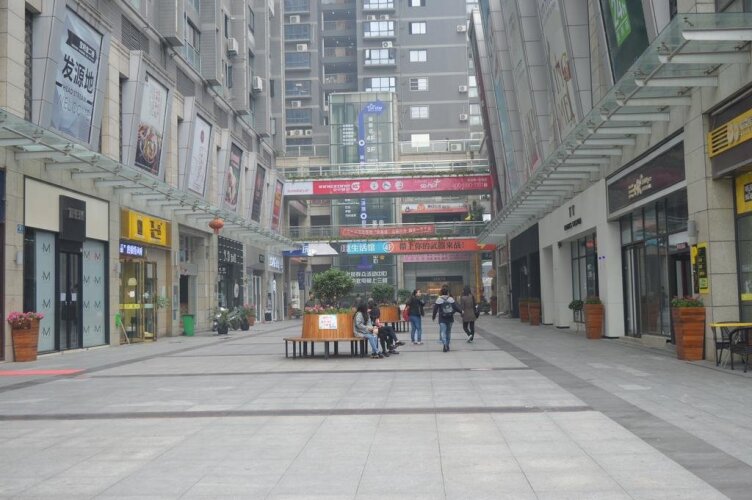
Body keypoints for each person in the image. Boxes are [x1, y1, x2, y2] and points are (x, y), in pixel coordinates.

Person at [432, 285, 462, 352]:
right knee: (448, 332)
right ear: (447, 292)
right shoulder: (451, 299)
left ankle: (445, 345)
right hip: (450, 318)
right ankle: (447, 345)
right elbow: (456, 307)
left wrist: (433, 317)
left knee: (443, 332)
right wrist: (461, 311)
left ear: (441, 292)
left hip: (442, 318)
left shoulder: (439, 299)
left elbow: (435, 309)